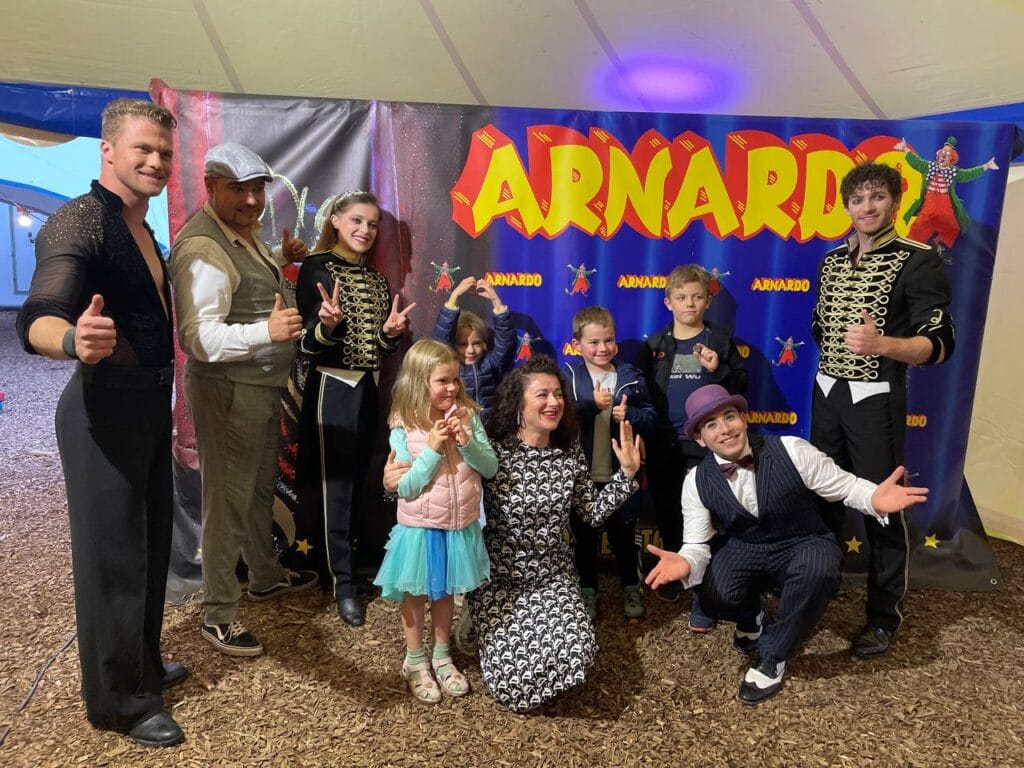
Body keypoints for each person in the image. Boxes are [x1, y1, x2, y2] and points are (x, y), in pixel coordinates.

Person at [15, 98, 185, 747]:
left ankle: (142, 666)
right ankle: (117, 703)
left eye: (164, 152)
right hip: (100, 413)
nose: (156, 161)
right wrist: (72, 340)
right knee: (112, 560)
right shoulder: (78, 220)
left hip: (148, 408)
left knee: (150, 546)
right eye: (143, 148)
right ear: (108, 150)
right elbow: (38, 314)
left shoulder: (142, 228)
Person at [645, 385, 928, 704]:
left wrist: (873, 498)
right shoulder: (696, 481)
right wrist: (686, 562)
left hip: (801, 540)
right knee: (712, 594)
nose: (725, 429)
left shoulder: (792, 449)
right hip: (745, 546)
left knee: (818, 569)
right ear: (700, 439)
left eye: (729, 417)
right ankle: (751, 614)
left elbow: (845, 486)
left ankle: (772, 655)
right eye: (711, 424)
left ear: (744, 419)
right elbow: (696, 544)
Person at [170, 143, 318, 658]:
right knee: (227, 499)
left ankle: (265, 577)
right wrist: (266, 332)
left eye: (257, 189)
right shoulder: (202, 248)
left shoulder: (236, 232)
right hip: (229, 389)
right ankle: (218, 615)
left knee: (255, 489)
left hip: (255, 385)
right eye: (238, 189)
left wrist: (280, 259)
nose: (252, 200)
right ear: (211, 186)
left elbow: (240, 282)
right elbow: (199, 338)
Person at [810, 162, 955, 659]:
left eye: (877, 197)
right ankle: (819, 588)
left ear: (895, 201)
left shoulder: (918, 260)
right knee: (823, 498)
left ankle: (883, 615)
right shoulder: (831, 260)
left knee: (883, 506)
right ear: (846, 206)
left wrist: (883, 344)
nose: (867, 207)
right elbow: (820, 326)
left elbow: (940, 343)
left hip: (875, 399)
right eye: (857, 199)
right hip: (826, 394)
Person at [472, 356, 641, 712]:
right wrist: (399, 483)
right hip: (500, 582)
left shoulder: (569, 451)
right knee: (514, 683)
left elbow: (591, 512)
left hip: (552, 578)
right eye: (542, 395)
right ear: (518, 403)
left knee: (577, 656)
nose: (554, 402)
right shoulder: (492, 453)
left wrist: (626, 474)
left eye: (558, 394)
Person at [284, 190, 414, 626]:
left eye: (372, 224)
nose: (365, 230)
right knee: (335, 489)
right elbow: (305, 346)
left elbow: (376, 349)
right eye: (357, 220)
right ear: (336, 220)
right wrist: (326, 326)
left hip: (367, 390)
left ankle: (350, 569)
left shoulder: (377, 280)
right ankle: (340, 582)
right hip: (332, 388)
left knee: (359, 483)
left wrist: (389, 334)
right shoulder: (316, 268)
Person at [372, 340, 497, 703]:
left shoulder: (469, 417)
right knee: (415, 595)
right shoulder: (403, 426)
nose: (452, 388)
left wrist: (467, 442)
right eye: (443, 381)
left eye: (455, 379)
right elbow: (405, 486)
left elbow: (490, 467)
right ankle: (414, 660)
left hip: (458, 528)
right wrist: (432, 449)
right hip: (419, 529)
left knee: (445, 594)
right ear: (419, 381)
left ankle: (441, 657)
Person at [638, 264, 747, 628]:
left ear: (708, 301)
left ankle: (706, 592)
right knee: (670, 512)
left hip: (708, 447)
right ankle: (675, 571)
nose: (689, 304)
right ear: (668, 302)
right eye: (681, 297)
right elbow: (640, 394)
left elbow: (741, 389)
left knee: (711, 516)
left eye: (697, 297)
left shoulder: (722, 340)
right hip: (665, 444)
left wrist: (718, 371)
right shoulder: (654, 345)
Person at [563, 306, 656, 622]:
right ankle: (588, 590)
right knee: (585, 537)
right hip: (582, 476)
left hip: (622, 474)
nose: (602, 348)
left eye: (608, 340)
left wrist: (630, 415)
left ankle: (631, 585)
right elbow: (558, 421)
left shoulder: (630, 376)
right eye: (594, 342)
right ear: (577, 345)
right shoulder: (568, 376)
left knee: (623, 535)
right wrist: (591, 405)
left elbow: (651, 420)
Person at [431, 275, 515, 421]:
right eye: (463, 344)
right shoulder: (452, 368)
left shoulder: (491, 364)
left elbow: (506, 342)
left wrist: (496, 301)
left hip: (490, 431)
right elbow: (441, 341)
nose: (470, 350)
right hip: (460, 429)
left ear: (484, 343)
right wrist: (454, 296)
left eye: (476, 344)